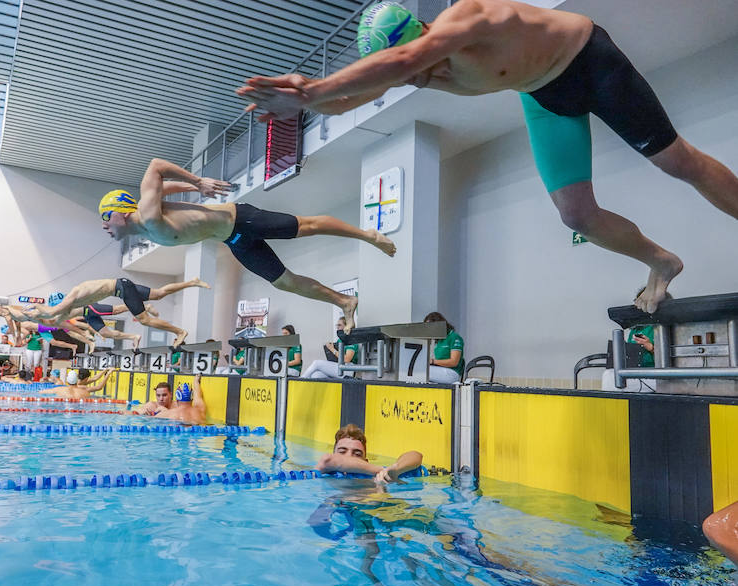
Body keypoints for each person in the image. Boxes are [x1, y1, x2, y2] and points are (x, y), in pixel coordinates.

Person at [238, 0, 738, 315]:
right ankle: (661, 261)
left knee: (677, 163)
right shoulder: (414, 64)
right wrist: (305, 100)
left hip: (588, 63)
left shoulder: (468, 18)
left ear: (425, 33)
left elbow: (403, 63)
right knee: (576, 215)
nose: (417, 79)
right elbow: (353, 97)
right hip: (542, 96)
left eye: (418, 67)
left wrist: (311, 92)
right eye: (407, 77)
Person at [99, 158, 396, 332]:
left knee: (308, 226)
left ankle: (367, 234)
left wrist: (198, 181)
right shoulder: (149, 228)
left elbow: (156, 166)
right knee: (284, 282)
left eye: (105, 217)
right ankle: (344, 302)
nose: (104, 226)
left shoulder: (148, 212)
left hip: (242, 219)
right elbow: (162, 187)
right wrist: (192, 187)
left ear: (119, 211)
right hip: (234, 240)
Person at [23, 277, 207, 347]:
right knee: (158, 293)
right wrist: (38, 313)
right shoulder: (72, 303)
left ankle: (179, 332)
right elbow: (54, 321)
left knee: (145, 320)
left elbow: (51, 314)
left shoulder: (73, 298)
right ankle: (192, 282)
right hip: (123, 284)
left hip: (122, 289)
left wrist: (34, 309)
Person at [316, 424, 423, 484]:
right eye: (342, 452)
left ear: (366, 462)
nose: (348, 457)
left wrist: (396, 469)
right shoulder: (322, 473)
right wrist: (380, 470)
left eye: (357, 454)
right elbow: (327, 460)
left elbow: (415, 455)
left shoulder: (375, 476)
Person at [423, 312, 464, 384]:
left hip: (452, 373)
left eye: (431, 327)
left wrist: (432, 361)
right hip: (440, 371)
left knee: (422, 371)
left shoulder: (454, 337)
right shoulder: (439, 340)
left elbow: (454, 362)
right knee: (419, 373)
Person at [47, 368, 114, 399]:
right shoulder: (81, 386)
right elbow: (99, 387)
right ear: (86, 378)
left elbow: (95, 378)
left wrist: (105, 370)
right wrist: (108, 374)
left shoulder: (80, 382)